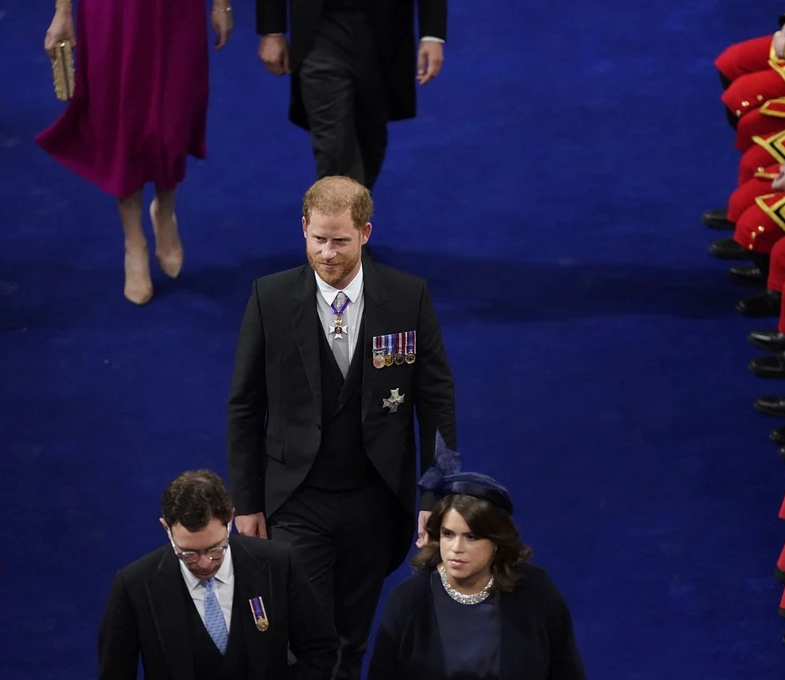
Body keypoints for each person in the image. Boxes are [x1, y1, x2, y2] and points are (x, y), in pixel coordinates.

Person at [226, 175, 457, 680]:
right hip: (296, 500)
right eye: (318, 239)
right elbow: (245, 407)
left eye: (341, 241)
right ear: (303, 229)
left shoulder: (407, 296)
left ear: (366, 233)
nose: (328, 254)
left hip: (374, 501)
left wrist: (435, 497)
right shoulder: (270, 298)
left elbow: (436, 403)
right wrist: (246, 503)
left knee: (351, 641)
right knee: (305, 640)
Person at [38, 0, 233, 305]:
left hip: (178, 11)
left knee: (175, 113)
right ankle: (134, 242)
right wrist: (62, 12)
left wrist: (222, 5)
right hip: (113, 12)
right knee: (122, 122)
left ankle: (165, 211)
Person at [367, 433, 585, 680]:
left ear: (496, 541)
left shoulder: (536, 590)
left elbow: (568, 672)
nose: (456, 548)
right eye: (448, 534)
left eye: (471, 537)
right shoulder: (407, 601)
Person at [96, 469, 339, 679]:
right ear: (166, 528)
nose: (204, 564)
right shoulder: (134, 586)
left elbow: (319, 650)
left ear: (230, 520)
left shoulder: (277, 564)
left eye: (215, 549)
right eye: (188, 553)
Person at [254, 0, 446, 191]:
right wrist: (272, 30)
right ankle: (339, 217)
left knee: (370, 144)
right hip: (320, 31)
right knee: (334, 150)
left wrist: (432, 34)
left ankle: (349, 214)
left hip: (384, 33)